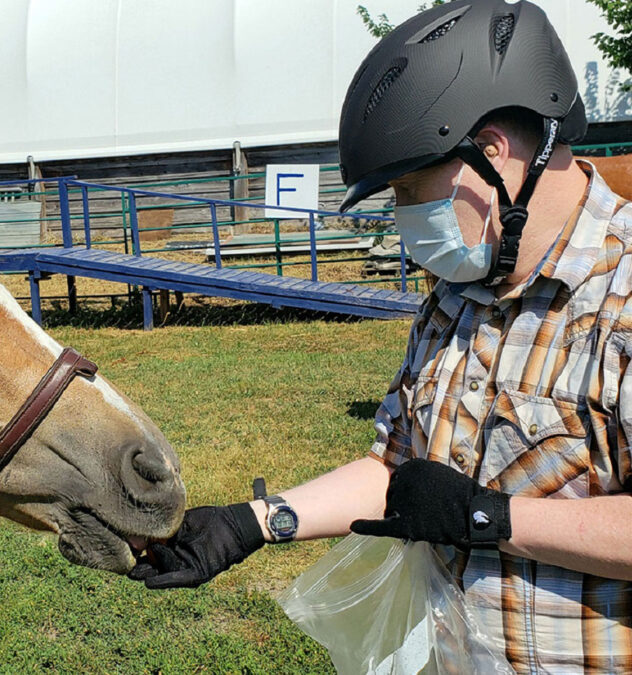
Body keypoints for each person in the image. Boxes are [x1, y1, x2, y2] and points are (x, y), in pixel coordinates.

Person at [129, 1, 632, 671]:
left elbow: (460, 511)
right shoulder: (455, 298)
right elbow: (397, 469)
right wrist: (252, 522)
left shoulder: (621, 296)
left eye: (408, 187)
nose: (404, 217)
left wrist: (492, 518)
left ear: (491, 153)